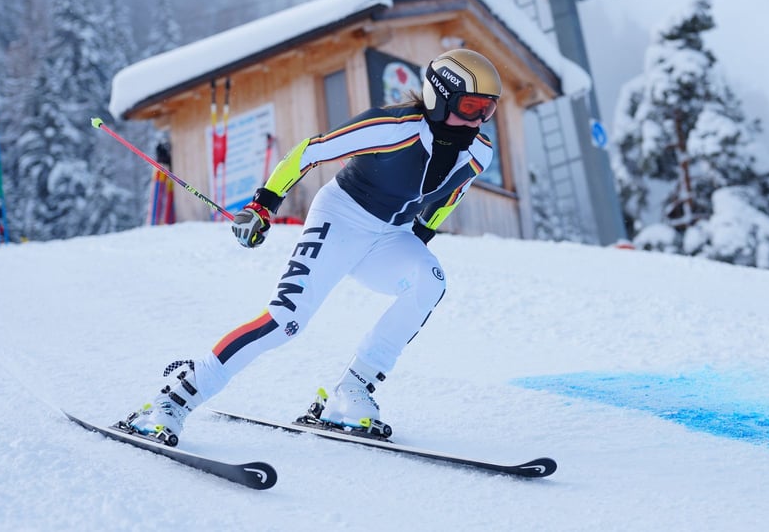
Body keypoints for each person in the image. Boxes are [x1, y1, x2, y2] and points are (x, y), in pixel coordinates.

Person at [124, 48, 502, 444]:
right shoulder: (393, 128)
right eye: (470, 106)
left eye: (487, 110)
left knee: (429, 281)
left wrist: (418, 238)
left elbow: (450, 197)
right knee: (285, 320)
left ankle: (351, 391)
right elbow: (309, 151)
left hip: (390, 236)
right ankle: (175, 398)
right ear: (440, 97)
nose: (478, 119)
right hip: (341, 219)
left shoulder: (479, 151)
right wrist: (263, 205)